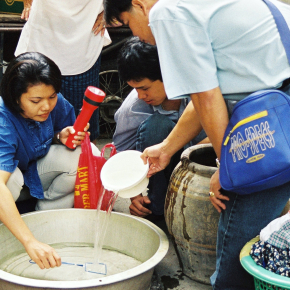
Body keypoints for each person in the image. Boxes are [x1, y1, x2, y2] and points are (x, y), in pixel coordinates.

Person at [103, 0, 290, 288]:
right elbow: (205, 91)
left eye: (127, 24)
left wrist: (227, 169)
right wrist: (166, 148)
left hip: (276, 120)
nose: (136, 35)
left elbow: (205, 97)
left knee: (235, 259)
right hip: (277, 108)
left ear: (139, 5)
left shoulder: (167, 12)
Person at [0, 52, 98, 270]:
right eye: (36, 100)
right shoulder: (3, 119)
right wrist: (28, 242)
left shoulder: (54, 101)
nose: (46, 106)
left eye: (52, 97)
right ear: (15, 98)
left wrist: (60, 136)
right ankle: (11, 235)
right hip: (11, 183)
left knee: (85, 154)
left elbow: (69, 134)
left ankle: (44, 222)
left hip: (34, 173)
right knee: (10, 180)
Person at [114, 37, 207, 221]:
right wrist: (134, 194)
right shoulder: (133, 108)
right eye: (134, 89)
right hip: (160, 169)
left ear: (167, 76)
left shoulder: (199, 93)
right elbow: (121, 155)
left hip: (199, 165)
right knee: (157, 126)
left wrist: (187, 156)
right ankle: (157, 209)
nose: (140, 96)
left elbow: (223, 134)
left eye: (145, 88)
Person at [15, 0, 111, 143]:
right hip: (43, 32)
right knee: (28, 127)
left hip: (83, 37)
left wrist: (110, 11)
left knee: (83, 133)